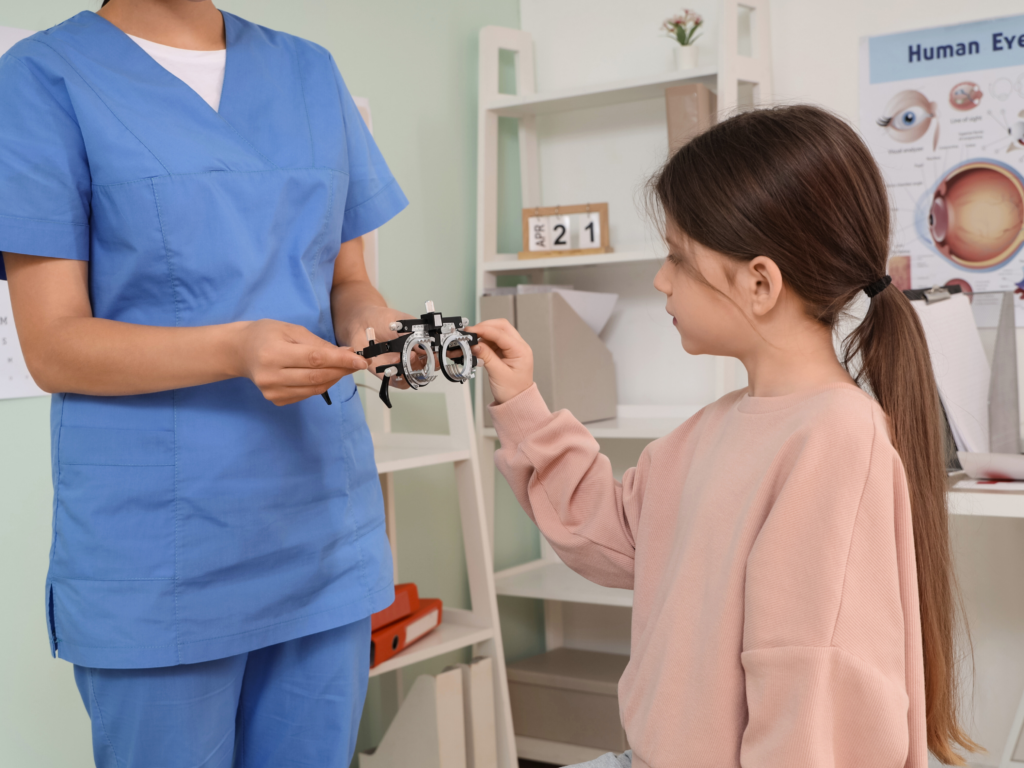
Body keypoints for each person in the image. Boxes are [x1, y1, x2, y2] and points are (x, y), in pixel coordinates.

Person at [469, 105, 979, 768]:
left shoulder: (834, 440)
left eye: (678, 258)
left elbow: (811, 693)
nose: (661, 280)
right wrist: (524, 406)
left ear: (760, 282)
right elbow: (616, 542)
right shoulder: (708, 430)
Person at [0, 1, 411, 765]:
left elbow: (348, 280)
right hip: (162, 552)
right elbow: (55, 346)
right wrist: (236, 349)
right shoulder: (40, 78)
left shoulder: (308, 70)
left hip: (320, 530)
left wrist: (373, 325)